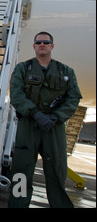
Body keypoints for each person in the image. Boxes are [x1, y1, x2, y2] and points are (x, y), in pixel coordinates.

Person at [8, 32, 82, 208]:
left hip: (54, 127)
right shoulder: (22, 69)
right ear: (34, 46)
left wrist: (55, 117)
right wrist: (36, 114)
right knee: (21, 172)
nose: (42, 44)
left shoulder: (66, 71)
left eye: (46, 42)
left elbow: (73, 98)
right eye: (38, 42)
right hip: (28, 126)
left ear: (52, 46)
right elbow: (16, 95)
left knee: (57, 171)